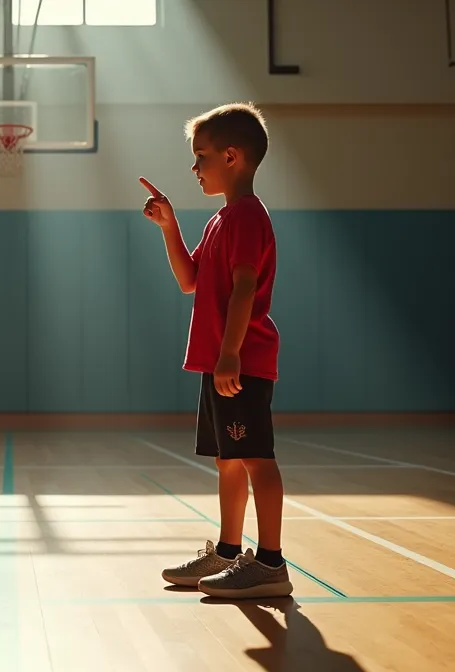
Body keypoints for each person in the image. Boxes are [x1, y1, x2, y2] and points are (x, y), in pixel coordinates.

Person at [142, 103, 293, 599]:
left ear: (231, 156)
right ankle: (228, 552)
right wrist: (169, 226)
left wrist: (231, 352)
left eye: (200, 156)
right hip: (220, 362)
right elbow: (190, 280)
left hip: (240, 361)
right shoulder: (220, 221)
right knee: (228, 461)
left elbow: (246, 286)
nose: (195, 167)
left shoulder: (248, 216)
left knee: (255, 458)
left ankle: (270, 563)